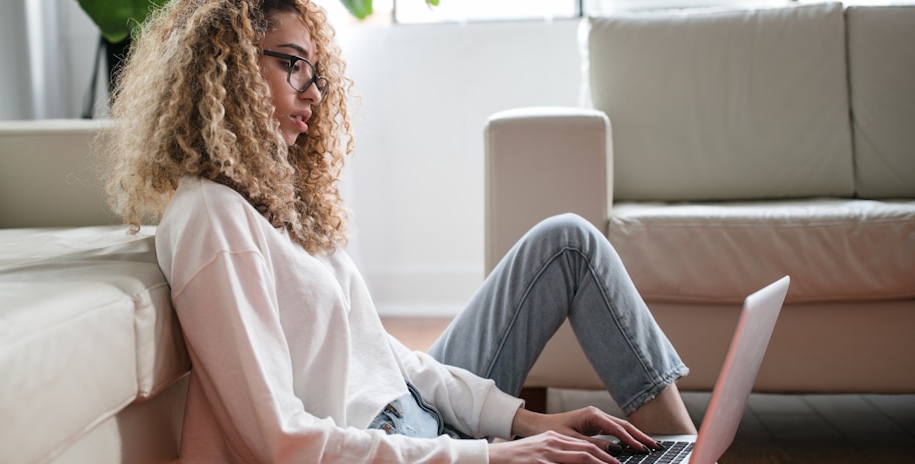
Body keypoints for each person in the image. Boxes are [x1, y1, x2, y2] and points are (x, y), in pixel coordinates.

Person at [100, 0, 697, 461]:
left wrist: (522, 421)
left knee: (568, 241)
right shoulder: (212, 217)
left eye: (315, 71)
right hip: (388, 445)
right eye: (291, 63)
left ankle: (680, 448)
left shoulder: (280, 205)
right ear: (225, 68)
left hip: (416, 419)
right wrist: (488, 455)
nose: (311, 91)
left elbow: (383, 357)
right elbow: (279, 441)